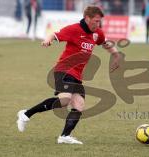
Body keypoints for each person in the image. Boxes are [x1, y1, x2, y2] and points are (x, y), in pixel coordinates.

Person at [16, 6, 121, 144]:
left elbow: (105, 43)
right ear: (87, 18)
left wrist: (115, 54)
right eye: (96, 21)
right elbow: (54, 34)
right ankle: (25, 114)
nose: (98, 24)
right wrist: (48, 40)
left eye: (100, 21)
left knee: (79, 105)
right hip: (64, 69)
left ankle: (64, 136)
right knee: (65, 100)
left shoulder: (97, 33)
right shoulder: (74, 29)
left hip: (77, 75)